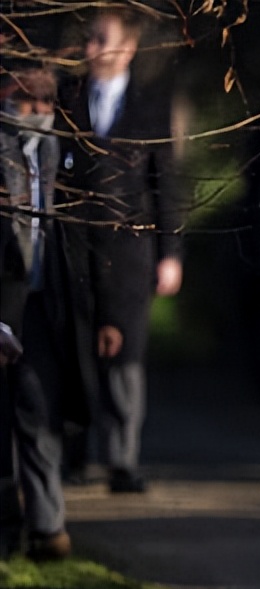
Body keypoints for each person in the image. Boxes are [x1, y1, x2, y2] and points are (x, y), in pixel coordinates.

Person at [56, 8, 188, 495]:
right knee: (79, 350)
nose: (91, 48)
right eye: (88, 38)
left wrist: (170, 251)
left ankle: (122, 458)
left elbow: (166, 182)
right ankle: (75, 452)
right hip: (75, 246)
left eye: (101, 39)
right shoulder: (67, 100)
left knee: (126, 356)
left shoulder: (152, 105)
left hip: (131, 250)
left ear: (128, 47)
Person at [1, 66, 90, 560]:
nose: (36, 111)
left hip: (41, 304)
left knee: (37, 410)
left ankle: (47, 522)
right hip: (5, 300)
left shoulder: (58, 153)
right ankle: (10, 525)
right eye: (25, 99)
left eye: (45, 101)